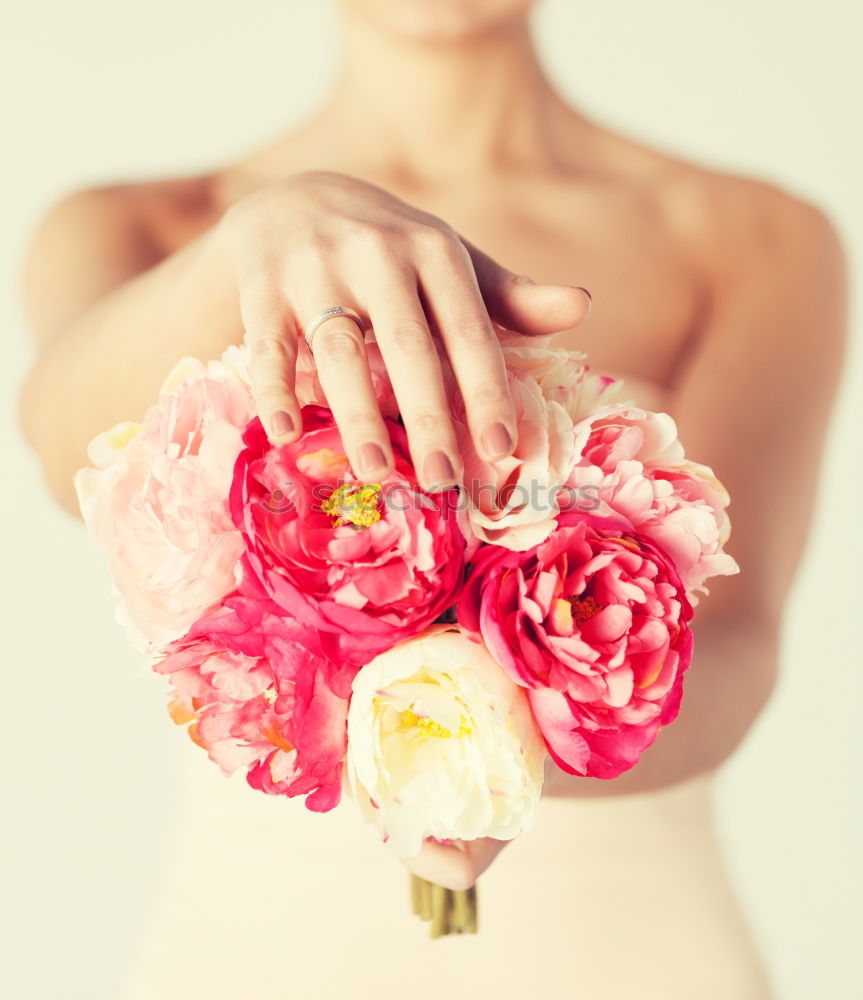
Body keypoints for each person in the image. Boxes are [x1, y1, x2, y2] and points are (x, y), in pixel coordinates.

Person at [17, 1, 847, 997]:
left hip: (632, 954)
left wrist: (503, 747)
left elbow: (739, 641)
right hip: (247, 952)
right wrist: (251, 247)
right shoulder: (137, 227)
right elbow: (59, 447)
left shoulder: (755, 236)